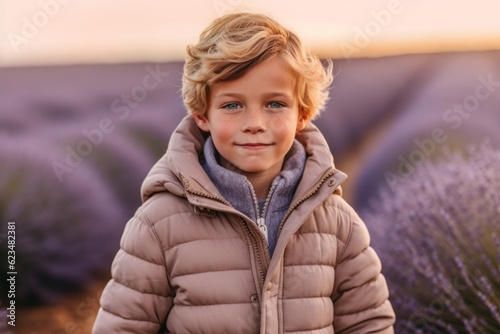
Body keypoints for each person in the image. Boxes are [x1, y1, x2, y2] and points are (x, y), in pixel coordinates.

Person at [93, 12, 395, 333]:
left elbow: (368, 323)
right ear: (202, 116)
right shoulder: (158, 225)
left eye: (275, 104)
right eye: (232, 105)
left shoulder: (337, 224)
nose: (254, 123)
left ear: (302, 114)